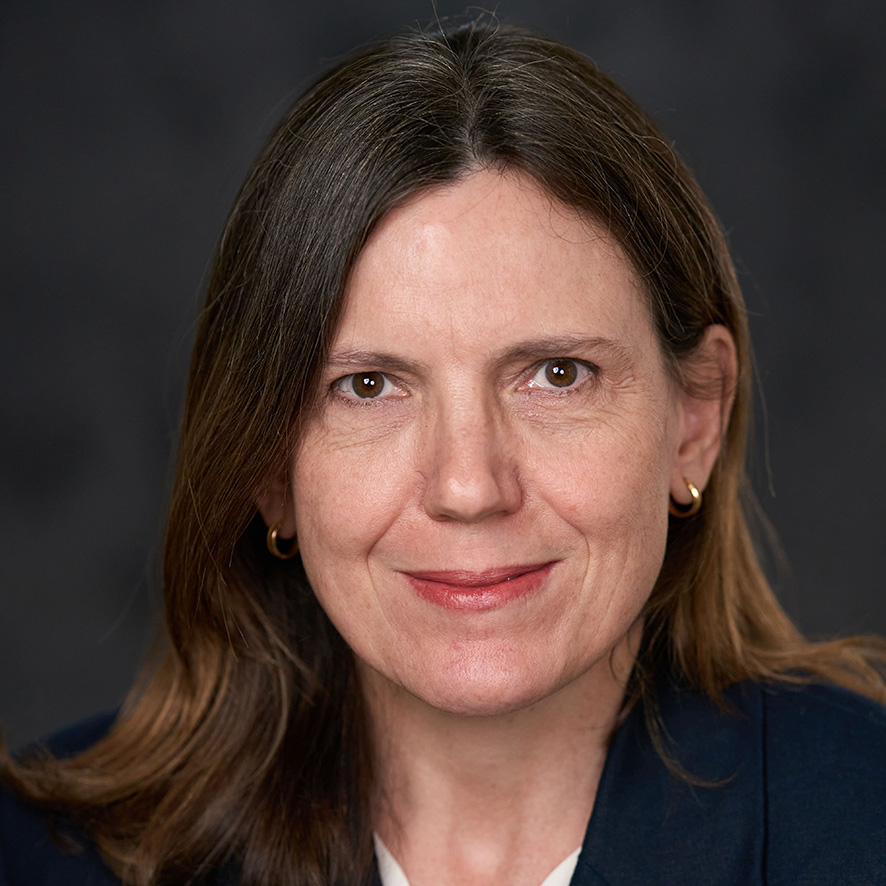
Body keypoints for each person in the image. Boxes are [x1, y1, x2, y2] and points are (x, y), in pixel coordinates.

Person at [2, 16, 885, 886]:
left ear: (693, 421)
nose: (468, 486)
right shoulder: (42, 856)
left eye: (557, 373)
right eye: (370, 386)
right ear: (268, 468)